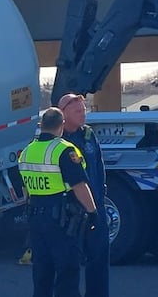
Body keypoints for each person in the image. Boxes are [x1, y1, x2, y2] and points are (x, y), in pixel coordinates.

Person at [19, 107, 98, 297]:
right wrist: (93, 213)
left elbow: (25, 190)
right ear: (61, 125)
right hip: (62, 221)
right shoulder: (64, 150)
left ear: (41, 125)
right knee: (67, 274)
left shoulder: (27, 151)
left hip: (36, 219)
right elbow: (79, 186)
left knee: (42, 275)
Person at [58, 93, 110, 297]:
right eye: (78, 111)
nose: (83, 115)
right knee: (68, 264)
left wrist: (101, 194)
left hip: (95, 207)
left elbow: (99, 164)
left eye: (84, 110)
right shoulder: (56, 140)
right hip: (70, 212)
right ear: (63, 114)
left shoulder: (88, 134)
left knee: (99, 259)